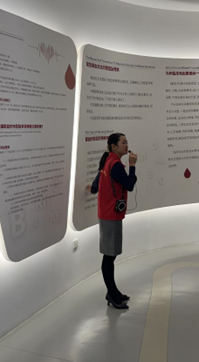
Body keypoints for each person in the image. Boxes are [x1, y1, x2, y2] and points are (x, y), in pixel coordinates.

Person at [87, 133, 137, 310]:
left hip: (108, 214)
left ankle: (113, 291)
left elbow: (98, 182)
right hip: (110, 215)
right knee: (109, 257)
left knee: (110, 255)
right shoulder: (115, 164)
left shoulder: (108, 161)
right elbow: (129, 185)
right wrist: (132, 166)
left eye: (127, 142)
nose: (126, 145)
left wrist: (93, 188)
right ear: (114, 146)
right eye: (123, 142)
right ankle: (112, 294)